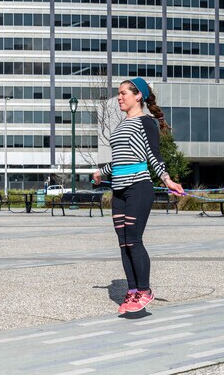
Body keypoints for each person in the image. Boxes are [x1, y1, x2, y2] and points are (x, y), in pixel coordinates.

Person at [92, 77, 183, 314]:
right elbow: (121, 159)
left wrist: (167, 180)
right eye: (119, 93)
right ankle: (132, 291)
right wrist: (101, 173)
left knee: (133, 238)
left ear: (138, 96)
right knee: (123, 242)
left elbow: (154, 156)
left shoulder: (146, 123)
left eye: (123, 93)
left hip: (138, 187)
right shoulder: (122, 125)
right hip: (119, 189)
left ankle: (144, 290)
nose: (119, 97)